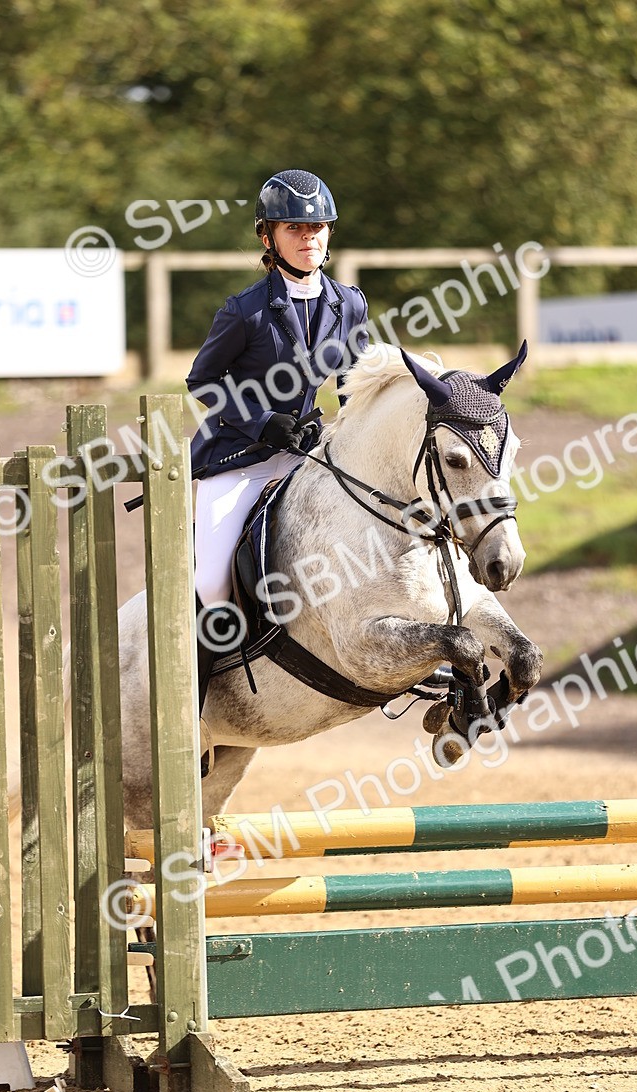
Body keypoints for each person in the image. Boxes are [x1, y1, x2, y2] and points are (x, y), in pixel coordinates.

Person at [186, 169, 369, 717]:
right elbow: (203, 381)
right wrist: (263, 421)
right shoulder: (243, 310)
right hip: (239, 459)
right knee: (210, 581)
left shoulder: (349, 304)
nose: (309, 237)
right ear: (268, 237)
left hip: (304, 457)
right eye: (295, 228)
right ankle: (189, 712)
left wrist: (344, 429)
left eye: (317, 227)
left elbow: (354, 383)